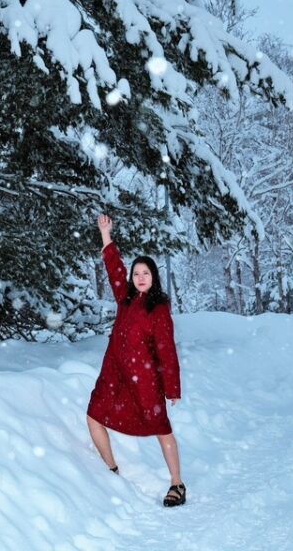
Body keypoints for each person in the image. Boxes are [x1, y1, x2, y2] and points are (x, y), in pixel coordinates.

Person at [86, 213, 186, 508]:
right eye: (136, 273)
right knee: (93, 416)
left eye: (146, 273)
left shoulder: (159, 309)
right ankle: (110, 471)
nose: (140, 277)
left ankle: (177, 483)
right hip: (114, 375)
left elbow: (166, 351)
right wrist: (106, 234)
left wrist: (171, 388)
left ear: (153, 278)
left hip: (144, 382)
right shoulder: (125, 298)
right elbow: (114, 268)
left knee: (161, 428)